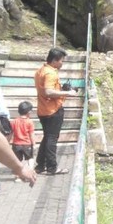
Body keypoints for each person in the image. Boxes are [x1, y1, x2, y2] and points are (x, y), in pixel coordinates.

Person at [34, 47, 78, 175]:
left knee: (47, 138)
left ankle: (40, 166)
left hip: (43, 110)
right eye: (61, 61)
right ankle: (52, 168)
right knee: (52, 139)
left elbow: (47, 90)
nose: (62, 63)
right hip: (52, 111)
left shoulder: (40, 71)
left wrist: (61, 88)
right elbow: (48, 91)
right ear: (55, 60)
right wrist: (68, 92)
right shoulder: (50, 73)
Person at [10, 101, 36, 182]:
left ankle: (18, 177)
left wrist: (9, 142)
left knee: (18, 161)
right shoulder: (29, 122)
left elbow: (11, 133)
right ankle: (30, 173)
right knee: (30, 159)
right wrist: (34, 143)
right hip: (27, 144)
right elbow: (31, 134)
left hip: (16, 144)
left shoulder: (14, 121)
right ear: (28, 112)